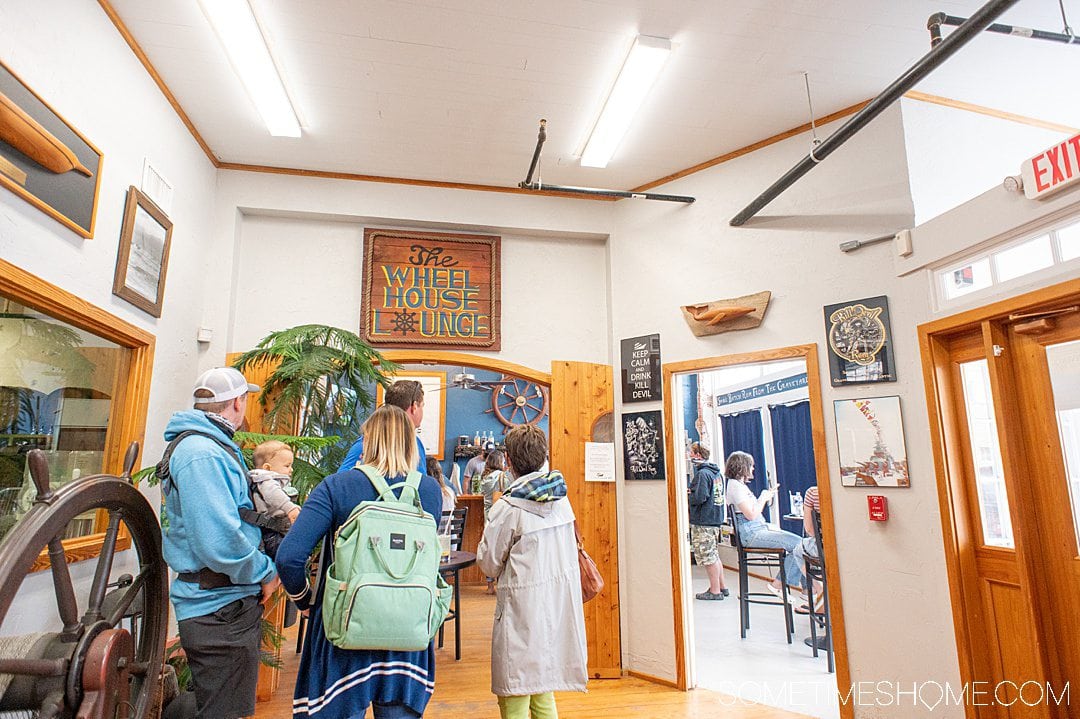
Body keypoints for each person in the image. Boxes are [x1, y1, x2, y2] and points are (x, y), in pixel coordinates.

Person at [276, 405, 443, 719]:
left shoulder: (337, 487)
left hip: (346, 631)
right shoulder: (430, 492)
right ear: (410, 443)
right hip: (408, 633)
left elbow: (289, 557)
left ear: (368, 441)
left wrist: (304, 601)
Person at [160, 367, 280, 719]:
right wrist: (265, 571)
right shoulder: (203, 454)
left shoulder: (209, 446)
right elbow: (219, 541)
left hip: (222, 605)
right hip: (219, 609)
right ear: (238, 403)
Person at [477, 425, 587, 719]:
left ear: (509, 462)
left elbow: (488, 563)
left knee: (515, 689)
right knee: (542, 686)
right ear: (544, 457)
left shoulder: (509, 508)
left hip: (520, 611)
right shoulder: (562, 501)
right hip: (556, 606)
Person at [723, 450, 804, 598]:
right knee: (799, 545)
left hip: (756, 528)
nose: (753, 469)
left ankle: (809, 590)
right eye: (751, 466)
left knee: (801, 545)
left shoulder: (738, 486)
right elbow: (751, 514)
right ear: (742, 467)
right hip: (751, 532)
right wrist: (763, 498)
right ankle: (779, 585)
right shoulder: (735, 486)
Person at [338, 379, 427, 473]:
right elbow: (421, 485)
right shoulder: (413, 443)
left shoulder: (367, 441)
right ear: (414, 407)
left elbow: (340, 482)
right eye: (422, 406)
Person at [687, 442, 729, 600]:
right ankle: (722, 586)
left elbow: (700, 497)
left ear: (698, 454)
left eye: (691, 452)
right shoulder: (716, 473)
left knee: (708, 557)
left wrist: (688, 495)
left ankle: (715, 591)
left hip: (704, 520)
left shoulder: (703, 474)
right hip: (715, 519)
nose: (690, 455)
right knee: (714, 555)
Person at [249, 439, 301, 524]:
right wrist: (290, 508)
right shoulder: (266, 480)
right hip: (272, 525)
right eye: (287, 466)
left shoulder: (272, 480)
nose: (291, 469)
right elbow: (273, 493)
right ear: (267, 468)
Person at [792, 485, 825, 615]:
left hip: (823, 548)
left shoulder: (813, 493)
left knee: (798, 550)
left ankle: (821, 591)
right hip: (848, 547)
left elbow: (810, 530)